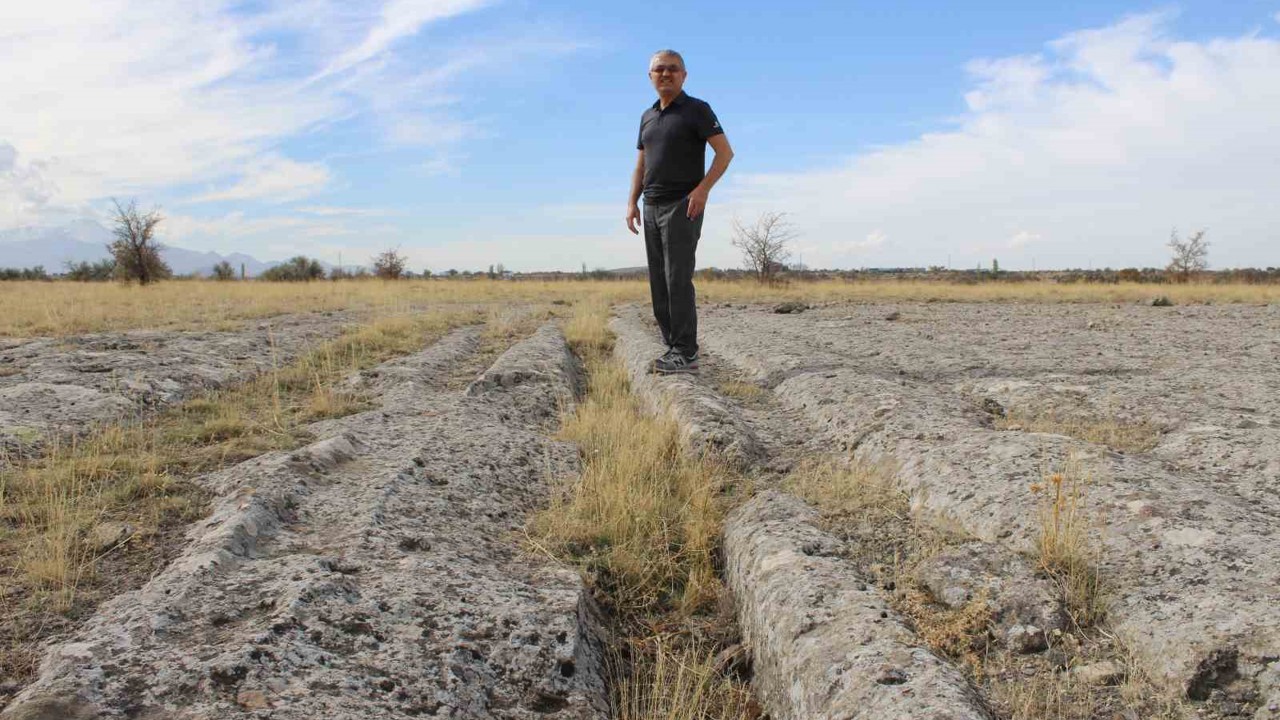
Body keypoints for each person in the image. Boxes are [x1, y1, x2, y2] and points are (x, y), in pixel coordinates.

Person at [627, 49, 733, 374]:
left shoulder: (697, 110)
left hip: (682, 205)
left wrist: (702, 190)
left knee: (677, 280)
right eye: (659, 69)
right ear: (650, 76)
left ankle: (686, 353)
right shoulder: (647, 116)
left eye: (673, 69)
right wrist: (632, 202)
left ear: (684, 76)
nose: (666, 74)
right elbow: (641, 164)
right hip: (651, 206)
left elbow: (725, 154)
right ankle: (673, 347)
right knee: (659, 282)